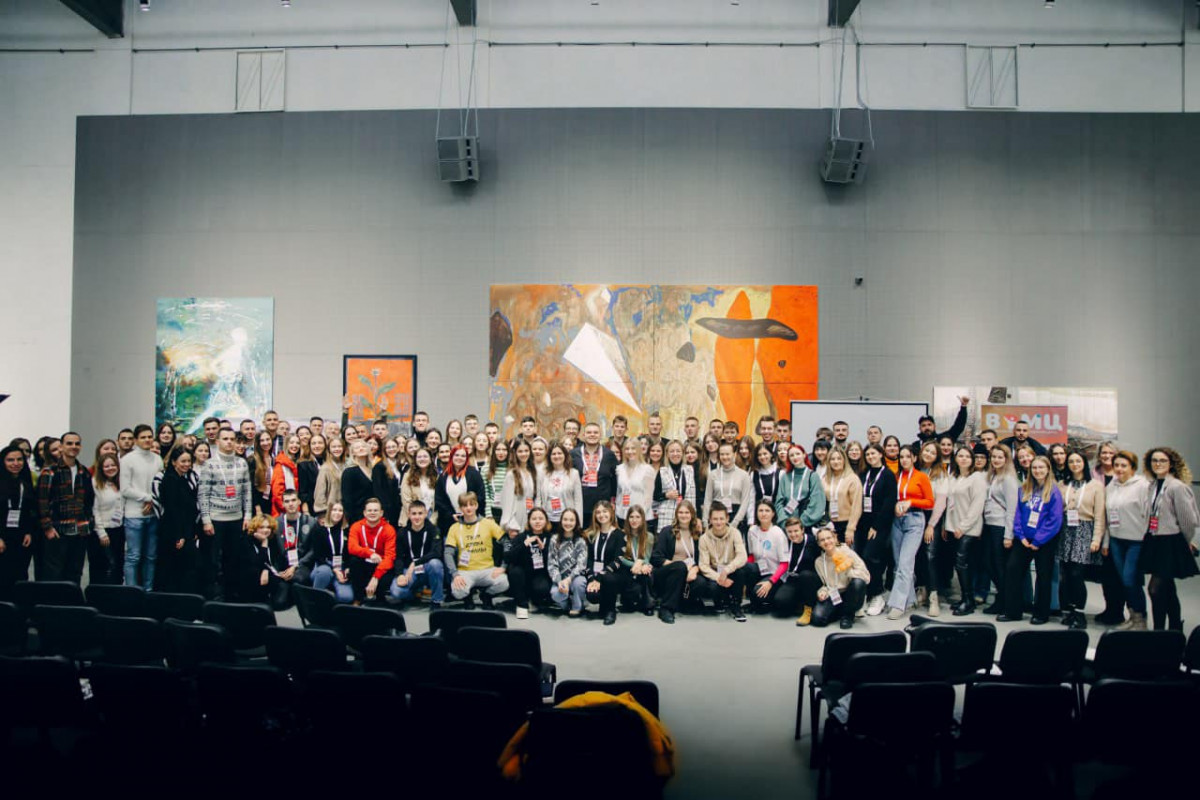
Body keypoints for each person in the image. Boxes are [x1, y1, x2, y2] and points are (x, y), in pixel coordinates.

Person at [1137, 447, 1199, 631]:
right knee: (1168, 588)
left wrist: (1186, 542)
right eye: (1154, 460)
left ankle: (1158, 631)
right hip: (1154, 541)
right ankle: (1175, 629)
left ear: (1171, 464)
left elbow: (1189, 520)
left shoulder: (1177, 487)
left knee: (1155, 589)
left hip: (1171, 543)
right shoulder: (1152, 485)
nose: (1158, 464)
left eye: (1162, 460)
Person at [998, 456, 1064, 624]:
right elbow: (1018, 514)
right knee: (1013, 569)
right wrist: (1020, 536)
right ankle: (1013, 611)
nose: (1037, 471)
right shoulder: (1024, 489)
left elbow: (1055, 520)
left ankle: (1041, 614)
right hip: (1024, 539)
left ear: (1048, 469)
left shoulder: (1054, 491)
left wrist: (1038, 541)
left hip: (1044, 541)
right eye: (1034, 468)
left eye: (1041, 467)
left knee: (1043, 576)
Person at [197, 427, 253, 600]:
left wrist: (248, 515)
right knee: (213, 561)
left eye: (232, 439)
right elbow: (203, 494)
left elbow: (247, 492)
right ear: (218, 441)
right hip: (215, 519)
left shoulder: (242, 463)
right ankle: (214, 596)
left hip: (236, 519)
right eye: (225, 439)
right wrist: (206, 520)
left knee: (233, 559)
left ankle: (231, 596)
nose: (229, 442)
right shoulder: (209, 464)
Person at [35, 431, 94, 585]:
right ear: (61, 446)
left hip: (80, 530)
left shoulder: (84, 472)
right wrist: (47, 527)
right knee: (54, 574)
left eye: (77, 443)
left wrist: (88, 523)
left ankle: (72, 601)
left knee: (75, 573)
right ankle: (53, 601)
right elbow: (42, 501)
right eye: (69, 443)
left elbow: (89, 500)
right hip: (57, 530)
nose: (74, 446)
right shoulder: (50, 471)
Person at [885, 446, 935, 620]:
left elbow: (930, 502)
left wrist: (911, 502)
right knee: (898, 563)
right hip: (897, 520)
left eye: (908, 456)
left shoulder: (921, 477)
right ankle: (910, 599)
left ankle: (898, 604)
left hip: (914, 520)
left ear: (914, 458)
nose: (904, 460)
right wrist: (896, 506)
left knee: (905, 563)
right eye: (901, 457)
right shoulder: (897, 476)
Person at [1056, 451, 1105, 629]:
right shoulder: (1062, 484)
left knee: (1077, 574)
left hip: (1085, 531)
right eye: (1071, 461)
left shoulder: (1096, 486)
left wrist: (1097, 539)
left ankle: (1080, 614)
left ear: (1084, 463)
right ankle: (1069, 611)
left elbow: (1100, 515)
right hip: (1065, 531)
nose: (1074, 464)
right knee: (1065, 574)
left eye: (1078, 461)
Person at [1106, 451, 1150, 630]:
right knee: (1123, 580)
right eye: (1116, 465)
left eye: (1124, 465)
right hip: (1116, 540)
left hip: (1136, 541)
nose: (1119, 469)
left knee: (1130, 579)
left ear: (1133, 467)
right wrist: (1106, 542)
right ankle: (1132, 616)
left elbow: (1149, 514)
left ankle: (1141, 618)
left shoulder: (1143, 486)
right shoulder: (1112, 485)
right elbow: (1107, 515)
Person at [944, 446, 988, 616]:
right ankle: (965, 597)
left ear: (972, 460)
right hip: (953, 527)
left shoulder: (977, 478)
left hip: (969, 529)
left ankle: (969, 601)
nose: (963, 459)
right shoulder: (954, 477)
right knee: (960, 564)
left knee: (962, 563)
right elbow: (949, 504)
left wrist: (963, 527)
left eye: (967, 456)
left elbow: (977, 506)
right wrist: (947, 526)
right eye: (960, 456)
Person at [444, 492, 508, 606]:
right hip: (465, 571)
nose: (468, 508)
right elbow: (448, 553)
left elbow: (507, 543)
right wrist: (455, 574)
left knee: (504, 582)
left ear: (476, 505)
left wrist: (503, 567)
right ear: (460, 508)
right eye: (465, 505)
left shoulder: (488, 523)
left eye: (471, 504)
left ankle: (486, 595)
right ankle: (468, 596)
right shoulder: (454, 528)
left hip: (487, 570)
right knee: (457, 591)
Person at [120, 425, 161, 589]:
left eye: (150, 436)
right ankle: (131, 593)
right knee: (133, 556)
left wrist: (153, 501)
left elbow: (159, 485)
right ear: (136, 440)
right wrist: (148, 498)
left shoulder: (157, 459)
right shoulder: (127, 460)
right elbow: (125, 489)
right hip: (134, 515)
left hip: (153, 514)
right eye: (143, 437)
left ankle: (148, 592)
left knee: (151, 556)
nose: (147, 440)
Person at [692, 503, 749, 621]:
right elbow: (703, 565)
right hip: (715, 573)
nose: (718, 522)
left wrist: (727, 570)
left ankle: (736, 605)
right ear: (710, 519)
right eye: (715, 519)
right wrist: (719, 577)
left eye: (721, 518)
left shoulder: (735, 533)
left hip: (730, 570)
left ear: (727, 518)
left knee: (742, 571)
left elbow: (742, 556)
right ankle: (719, 601)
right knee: (712, 587)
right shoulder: (704, 538)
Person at [858, 444, 897, 616]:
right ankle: (868, 593)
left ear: (881, 454)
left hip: (879, 525)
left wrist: (876, 526)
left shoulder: (887, 475)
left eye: (873, 453)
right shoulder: (864, 474)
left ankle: (878, 595)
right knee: (862, 559)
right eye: (867, 454)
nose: (870, 457)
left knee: (871, 557)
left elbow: (889, 503)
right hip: (863, 524)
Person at [649, 500, 703, 624]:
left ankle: (684, 603)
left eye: (687, 512)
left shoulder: (696, 534)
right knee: (679, 567)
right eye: (681, 512)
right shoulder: (667, 531)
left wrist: (694, 569)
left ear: (692, 515)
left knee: (700, 583)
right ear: (676, 514)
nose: (684, 515)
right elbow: (656, 557)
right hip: (667, 572)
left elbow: (700, 559)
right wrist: (678, 566)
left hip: (688, 571)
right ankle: (666, 608)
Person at [981, 445, 1020, 615]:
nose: (996, 460)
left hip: (1001, 526)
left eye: (1000, 457)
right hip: (989, 524)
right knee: (987, 562)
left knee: (999, 566)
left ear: (1006, 459)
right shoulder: (992, 476)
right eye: (994, 457)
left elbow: (1012, 508)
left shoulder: (1008, 479)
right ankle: (1001, 596)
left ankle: (1007, 602)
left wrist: (1008, 535)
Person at [154, 447, 200, 593]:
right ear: (174, 462)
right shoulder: (170, 480)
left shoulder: (182, 479)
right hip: (173, 532)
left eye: (189, 461)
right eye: (183, 461)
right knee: (172, 569)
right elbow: (172, 510)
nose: (186, 464)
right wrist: (179, 535)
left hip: (185, 530)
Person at [388, 499, 445, 609]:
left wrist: (415, 563)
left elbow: (436, 552)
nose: (417, 517)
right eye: (414, 514)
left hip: (427, 568)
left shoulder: (434, 530)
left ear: (426, 514)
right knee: (396, 591)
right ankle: (414, 594)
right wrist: (399, 574)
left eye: (420, 513)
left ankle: (436, 601)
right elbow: (398, 557)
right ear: (408, 514)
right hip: (410, 572)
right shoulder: (402, 533)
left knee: (436, 564)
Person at [812, 527, 870, 628]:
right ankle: (841, 611)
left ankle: (848, 615)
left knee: (858, 583)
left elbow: (866, 576)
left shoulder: (847, 553)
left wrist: (847, 571)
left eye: (829, 538)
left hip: (850, 592)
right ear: (819, 544)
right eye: (822, 540)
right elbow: (825, 584)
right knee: (817, 619)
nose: (826, 542)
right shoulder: (819, 562)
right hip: (834, 594)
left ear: (835, 538)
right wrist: (822, 592)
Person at [0, 445, 37, 599]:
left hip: (21, 538)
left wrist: (28, 532)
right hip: (2, 538)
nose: (15, 463)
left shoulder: (25, 483)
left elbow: (30, 510)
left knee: (20, 576)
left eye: (19, 459)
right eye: (10, 460)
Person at [583, 500, 627, 625]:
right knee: (592, 596)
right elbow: (588, 559)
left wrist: (599, 578)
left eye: (605, 511)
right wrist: (592, 578)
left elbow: (618, 560)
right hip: (595, 574)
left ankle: (611, 611)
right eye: (598, 512)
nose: (601, 515)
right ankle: (603, 607)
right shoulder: (591, 534)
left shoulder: (619, 534)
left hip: (613, 575)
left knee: (608, 578)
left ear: (611, 513)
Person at [504, 506, 552, 619]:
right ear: (529, 521)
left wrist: (543, 549)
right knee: (515, 571)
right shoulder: (522, 536)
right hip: (523, 574)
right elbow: (508, 557)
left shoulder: (550, 538)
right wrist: (524, 545)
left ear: (546, 521)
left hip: (540, 574)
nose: (537, 521)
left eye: (541, 518)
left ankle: (533, 599)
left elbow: (553, 561)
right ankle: (521, 605)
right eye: (534, 519)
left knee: (542, 588)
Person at [234, 514, 291, 608]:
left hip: (268, 576)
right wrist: (264, 544)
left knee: (280, 603)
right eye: (261, 527)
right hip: (250, 578)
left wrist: (269, 571)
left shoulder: (272, 540)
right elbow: (256, 563)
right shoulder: (246, 541)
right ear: (255, 528)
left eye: (268, 527)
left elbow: (277, 560)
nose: (265, 530)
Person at [346, 497, 396, 603]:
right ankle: (358, 599)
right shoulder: (356, 526)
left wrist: (376, 577)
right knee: (354, 561)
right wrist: (370, 553)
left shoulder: (389, 529)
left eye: (375, 510)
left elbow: (390, 557)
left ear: (381, 513)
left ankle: (380, 599)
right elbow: (352, 547)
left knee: (388, 573)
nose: (372, 513)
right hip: (364, 563)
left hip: (380, 565)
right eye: (369, 510)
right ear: (364, 513)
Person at [572, 423, 619, 528]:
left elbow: (615, 480)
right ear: (583, 435)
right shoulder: (574, 454)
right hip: (581, 505)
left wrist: (613, 501)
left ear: (600, 435)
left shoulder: (609, 455)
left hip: (603, 507)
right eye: (589, 432)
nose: (592, 435)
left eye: (595, 432)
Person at [745, 500, 787, 613]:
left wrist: (770, 582)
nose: (763, 514)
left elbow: (784, 564)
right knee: (745, 567)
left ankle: (763, 598)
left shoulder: (778, 533)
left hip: (775, 574)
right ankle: (752, 597)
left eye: (767, 511)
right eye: (761, 510)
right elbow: (751, 556)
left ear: (773, 513)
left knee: (757, 593)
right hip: (759, 570)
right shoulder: (752, 531)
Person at [434, 445, 486, 536]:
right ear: (452, 456)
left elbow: (480, 496)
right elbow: (439, 499)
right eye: (457, 455)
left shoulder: (474, 474)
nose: (459, 458)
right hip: (448, 523)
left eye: (463, 456)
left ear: (467, 458)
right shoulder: (443, 476)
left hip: (471, 520)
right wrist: (451, 515)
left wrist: (468, 512)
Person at [774, 444, 827, 531]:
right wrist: (784, 522)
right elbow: (779, 502)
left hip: (805, 526)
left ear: (804, 455)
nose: (795, 457)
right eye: (791, 455)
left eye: (798, 454)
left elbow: (817, 503)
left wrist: (800, 523)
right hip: (786, 526)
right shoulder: (785, 477)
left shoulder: (813, 476)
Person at [703, 442, 753, 533]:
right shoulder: (713, 474)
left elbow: (745, 501)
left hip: (736, 517)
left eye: (727, 454)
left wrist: (735, 522)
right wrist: (705, 521)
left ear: (734, 454)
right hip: (716, 518)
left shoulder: (744, 475)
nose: (725, 457)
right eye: (722, 454)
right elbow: (708, 499)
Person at [310, 502, 354, 604]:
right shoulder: (319, 529)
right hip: (324, 565)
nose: (337, 513)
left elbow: (350, 554)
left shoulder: (347, 530)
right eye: (334, 510)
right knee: (324, 572)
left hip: (341, 566)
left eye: (340, 510)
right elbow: (318, 556)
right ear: (329, 512)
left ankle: (331, 591)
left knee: (347, 597)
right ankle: (316, 599)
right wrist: (334, 570)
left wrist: (347, 569)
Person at [89, 453, 123, 585]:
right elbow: (95, 510)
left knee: (117, 567)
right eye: (106, 466)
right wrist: (101, 533)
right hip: (103, 531)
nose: (110, 468)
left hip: (119, 529)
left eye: (113, 465)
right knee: (104, 567)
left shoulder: (120, 483)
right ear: (101, 468)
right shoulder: (95, 483)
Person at [548, 508, 588, 617]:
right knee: (555, 594)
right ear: (561, 521)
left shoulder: (580, 540)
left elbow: (581, 565)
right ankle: (566, 606)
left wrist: (569, 579)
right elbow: (552, 564)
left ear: (576, 522)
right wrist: (559, 581)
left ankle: (577, 606)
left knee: (579, 584)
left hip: (575, 578)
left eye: (571, 520)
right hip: (560, 578)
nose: (568, 523)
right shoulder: (554, 539)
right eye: (565, 519)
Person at [617, 505, 655, 616]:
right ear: (627, 519)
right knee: (632, 584)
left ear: (642, 519)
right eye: (631, 517)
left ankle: (648, 604)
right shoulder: (621, 535)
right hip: (627, 568)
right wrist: (635, 565)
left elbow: (647, 556)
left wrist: (644, 565)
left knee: (647, 572)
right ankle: (627, 601)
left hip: (642, 568)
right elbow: (621, 558)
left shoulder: (649, 536)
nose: (634, 520)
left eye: (638, 517)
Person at [275, 488, 317, 587]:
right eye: (287, 501)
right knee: (279, 594)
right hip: (283, 566)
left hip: (302, 565)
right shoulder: (276, 523)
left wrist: (295, 566)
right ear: (282, 504)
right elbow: (273, 551)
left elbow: (313, 550)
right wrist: (276, 571)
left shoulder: (311, 522)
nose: (291, 504)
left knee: (298, 579)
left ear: (299, 502)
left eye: (293, 500)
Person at [822, 446, 862, 546]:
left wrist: (850, 529)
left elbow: (856, 506)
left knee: (848, 554)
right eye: (832, 459)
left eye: (839, 458)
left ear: (844, 460)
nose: (836, 462)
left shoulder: (852, 479)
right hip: (831, 525)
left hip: (847, 524)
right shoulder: (825, 479)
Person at [538, 442, 583, 529]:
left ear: (565, 455)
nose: (557, 456)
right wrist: (539, 517)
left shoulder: (574, 473)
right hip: (547, 520)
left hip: (567, 521)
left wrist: (578, 523)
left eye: (559, 453)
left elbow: (578, 500)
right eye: (553, 454)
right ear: (549, 457)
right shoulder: (542, 473)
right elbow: (538, 498)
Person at [499, 439, 535, 535]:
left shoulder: (532, 471)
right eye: (520, 451)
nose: (524, 454)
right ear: (515, 453)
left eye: (526, 451)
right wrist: (509, 524)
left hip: (529, 514)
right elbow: (507, 502)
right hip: (516, 516)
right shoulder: (512, 474)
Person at [615, 439, 654, 525]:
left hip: (642, 516)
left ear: (639, 450)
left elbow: (649, 496)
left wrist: (639, 515)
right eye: (627, 449)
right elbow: (618, 493)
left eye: (633, 448)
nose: (630, 451)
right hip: (623, 515)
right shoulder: (619, 469)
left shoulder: (647, 469)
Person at [340, 439, 376, 525]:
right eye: (357, 447)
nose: (361, 448)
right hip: (357, 516)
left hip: (373, 514)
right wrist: (352, 518)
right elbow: (347, 499)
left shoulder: (373, 470)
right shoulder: (349, 472)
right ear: (353, 453)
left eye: (363, 446)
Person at [400, 447, 437, 527]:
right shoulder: (407, 477)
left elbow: (437, 502)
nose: (422, 459)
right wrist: (417, 518)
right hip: (412, 519)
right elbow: (406, 501)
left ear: (431, 460)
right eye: (419, 457)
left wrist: (432, 520)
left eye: (425, 456)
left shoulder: (436, 477)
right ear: (415, 460)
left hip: (431, 519)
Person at [313, 436, 346, 520]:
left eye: (339, 446)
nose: (337, 449)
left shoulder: (346, 465)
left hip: (344, 510)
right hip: (330, 511)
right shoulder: (325, 468)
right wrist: (322, 512)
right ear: (329, 449)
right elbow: (320, 492)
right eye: (334, 447)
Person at [298, 433, 325, 514]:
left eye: (320, 443)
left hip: (330, 506)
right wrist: (306, 511)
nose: (317, 446)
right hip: (312, 507)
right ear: (309, 446)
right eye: (314, 443)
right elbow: (303, 491)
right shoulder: (304, 465)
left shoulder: (329, 462)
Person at [485, 440, 509, 524]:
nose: (501, 452)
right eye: (498, 449)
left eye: (504, 449)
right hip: (492, 511)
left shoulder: (513, 469)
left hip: (509, 511)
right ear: (494, 451)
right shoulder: (486, 468)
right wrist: (489, 514)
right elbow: (486, 493)